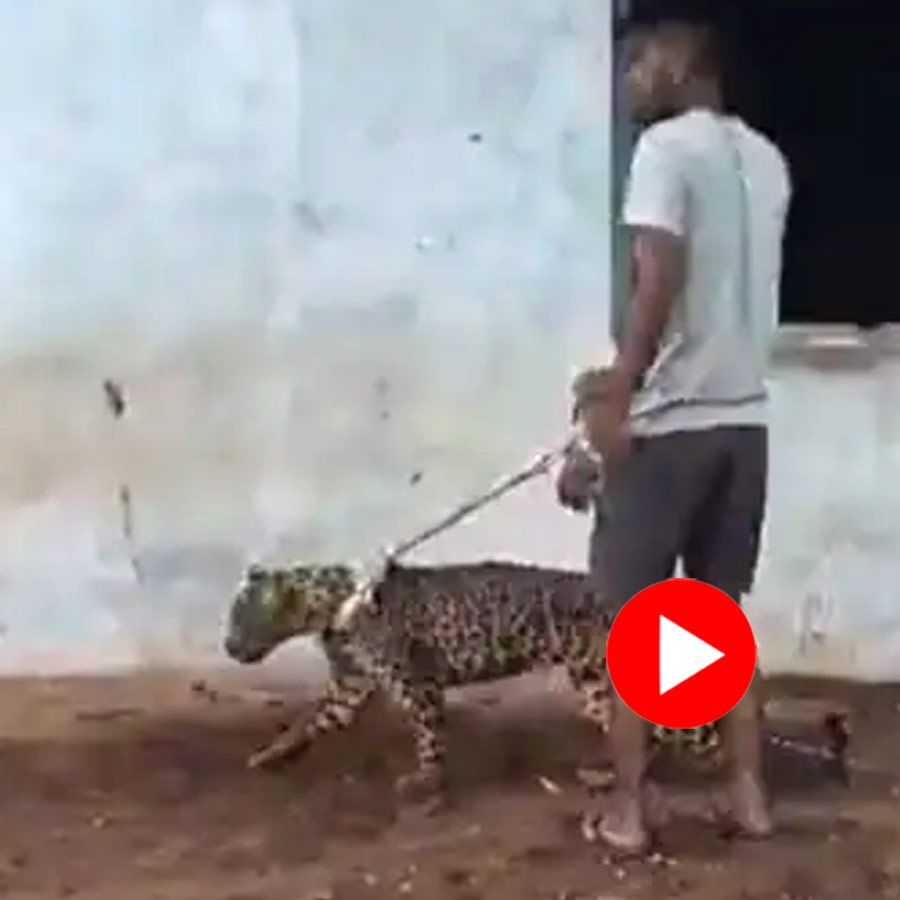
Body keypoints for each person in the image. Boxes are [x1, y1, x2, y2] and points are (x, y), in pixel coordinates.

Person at [558, 20, 792, 852]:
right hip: (744, 420)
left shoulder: (663, 152)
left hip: (671, 429)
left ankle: (629, 809)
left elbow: (658, 276)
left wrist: (618, 386)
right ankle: (748, 797)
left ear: (688, 68)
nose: (628, 82)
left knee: (637, 628)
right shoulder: (767, 160)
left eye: (641, 65)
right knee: (716, 618)